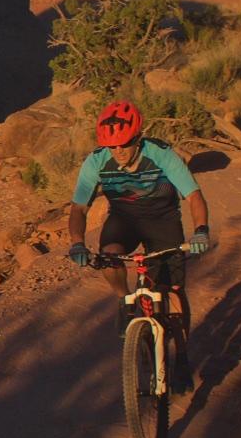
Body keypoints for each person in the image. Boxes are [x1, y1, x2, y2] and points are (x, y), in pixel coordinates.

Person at [61, 100, 212, 390]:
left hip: (163, 220)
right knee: (109, 258)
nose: (117, 151)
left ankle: (180, 356)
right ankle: (123, 299)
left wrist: (201, 232)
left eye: (123, 145)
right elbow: (79, 207)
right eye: (111, 146)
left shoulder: (161, 154)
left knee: (172, 288)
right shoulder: (96, 161)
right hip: (124, 219)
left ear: (138, 138)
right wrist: (77, 243)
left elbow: (193, 196)